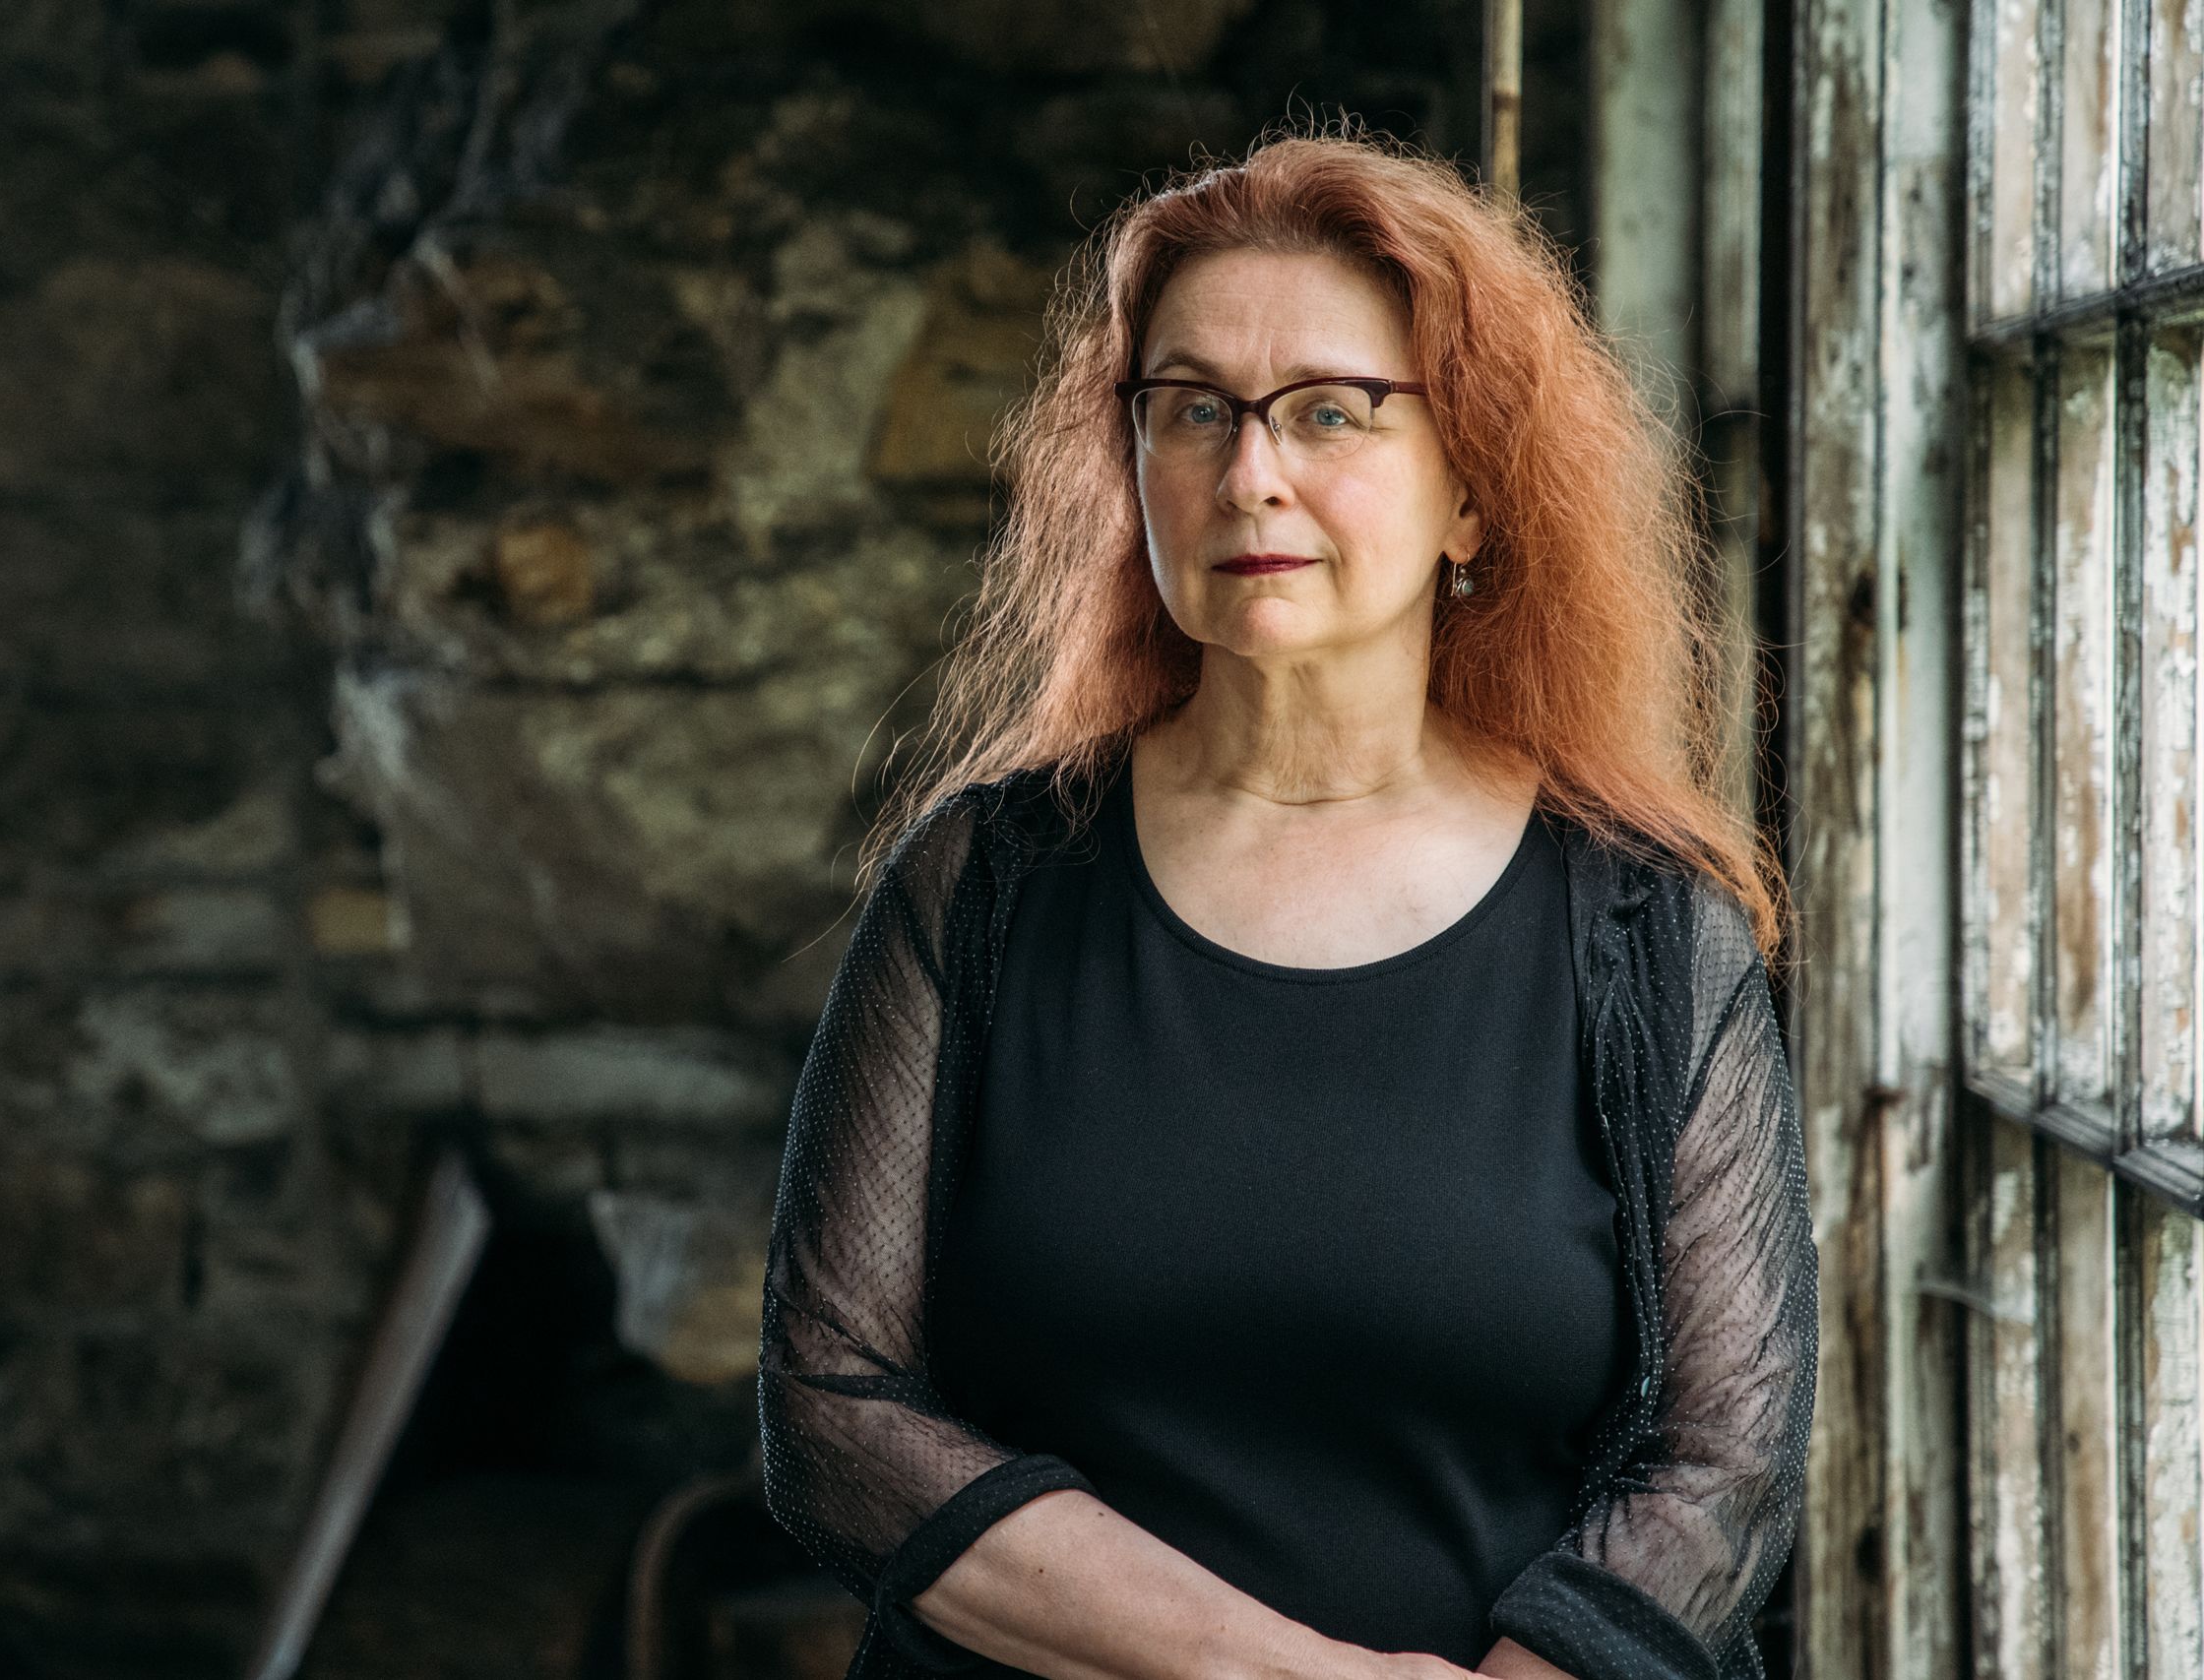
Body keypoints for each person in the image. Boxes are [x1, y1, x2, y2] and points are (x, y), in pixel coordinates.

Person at [755, 125, 1818, 1680]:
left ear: (1472, 492)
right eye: (1190, 410)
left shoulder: (1646, 933)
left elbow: (1725, 1469)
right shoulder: (981, 884)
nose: (1248, 473)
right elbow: (831, 1408)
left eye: (1331, 411)